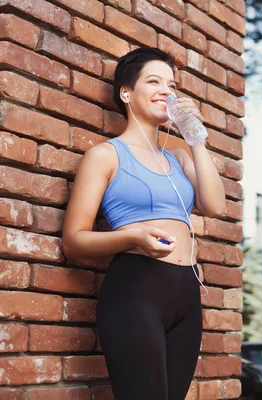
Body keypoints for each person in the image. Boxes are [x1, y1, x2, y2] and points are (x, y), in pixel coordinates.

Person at [62, 47, 226, 400]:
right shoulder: (105, 155)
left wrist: (194, 135)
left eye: (171, 84)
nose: (166, 91)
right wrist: (132, 236)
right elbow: (73, 241)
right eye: (154, 81)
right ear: (126, 93)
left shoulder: (180, 156)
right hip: (136, 290)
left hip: (186, 292)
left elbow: (215, 205)